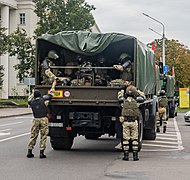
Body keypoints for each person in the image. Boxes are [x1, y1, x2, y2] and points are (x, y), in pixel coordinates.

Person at [26, 80, 56, 159]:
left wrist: (33, 91)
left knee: (33, 135)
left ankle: (30, 151)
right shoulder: (43, 101)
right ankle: (41, 153)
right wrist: (53, 85)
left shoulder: (31, 102)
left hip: (35, 119)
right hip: (43, 119)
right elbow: (51, 94)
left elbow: (30, 98)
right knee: (43, 136)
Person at [119, 85, 142, 161]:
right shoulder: (137, 102)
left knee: (126, 139)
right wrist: (137, 91)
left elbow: (119, 95)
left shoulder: (123, 102)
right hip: (134, 122)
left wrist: (122, 90)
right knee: (135, 139)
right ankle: (135, 156)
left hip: (125, 122)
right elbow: (143, 97)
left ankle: (126, 156)